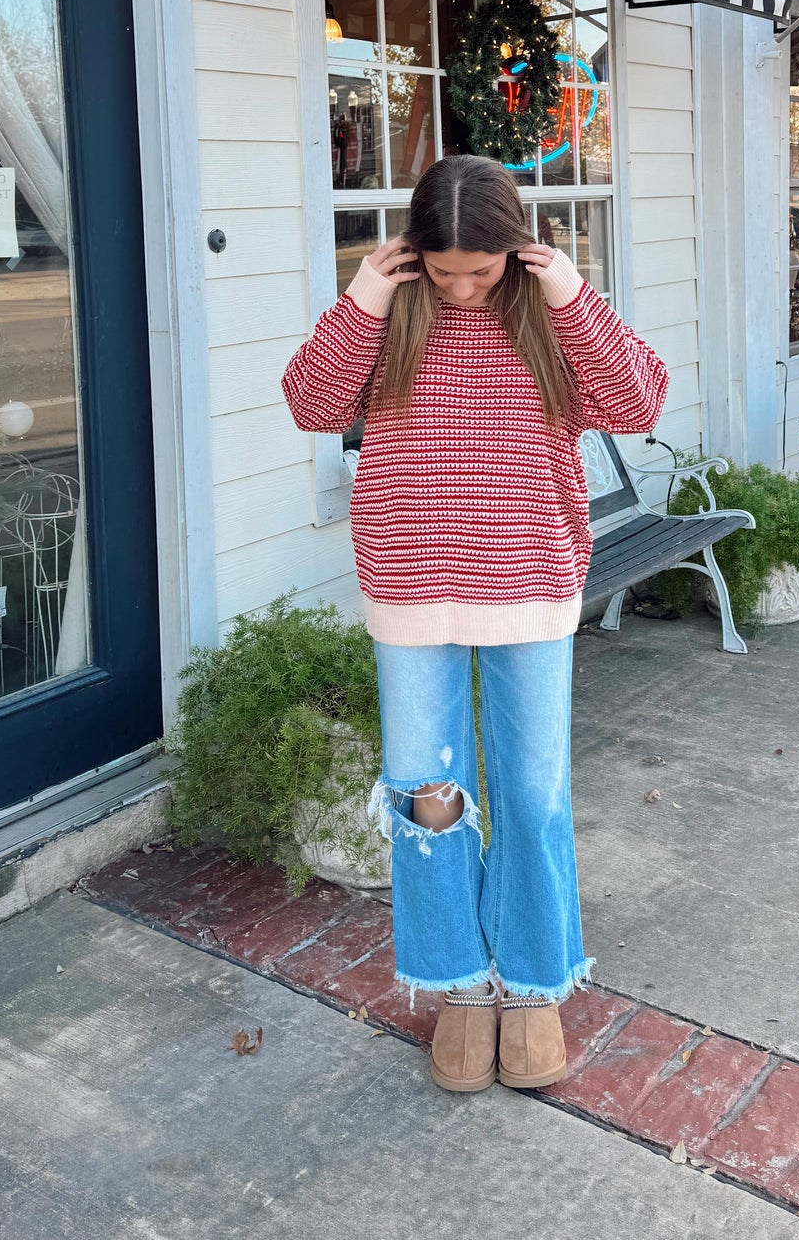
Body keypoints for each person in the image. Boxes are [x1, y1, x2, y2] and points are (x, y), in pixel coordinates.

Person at [282, 155, 668, 1094]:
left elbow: (639, 399)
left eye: (479, 270)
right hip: (412, 585)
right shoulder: (391, 316)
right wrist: (363, 296)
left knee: (532, 797)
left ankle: (532, 984)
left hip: (530, 580)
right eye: (443, 269)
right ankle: (459, 982)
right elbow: (310, 404)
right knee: (427, 797)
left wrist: (571, 291)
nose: (459, 286)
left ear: (513, 247)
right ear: (417, 251)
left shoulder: (545, 314)